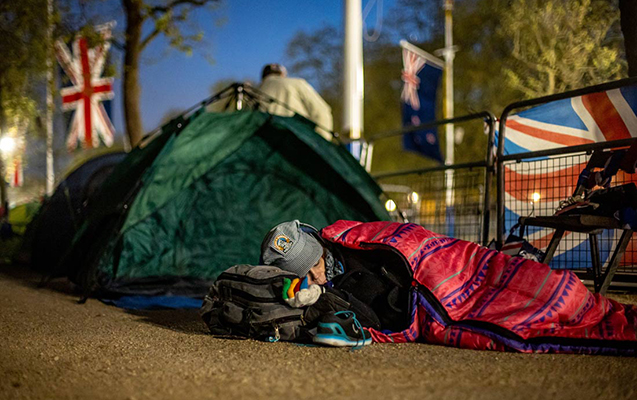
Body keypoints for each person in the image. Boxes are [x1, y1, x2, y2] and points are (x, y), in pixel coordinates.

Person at [261, 219, 637, 355]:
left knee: (557, 292)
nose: (315, 276)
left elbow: (416, 243)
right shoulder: (331, 290)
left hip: (456, 271)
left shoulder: (353, 241)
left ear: (320, 243)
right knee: (538, 317)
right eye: (303, 274)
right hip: (422, 298)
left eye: (313, 263)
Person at [261, 220, 410, 346]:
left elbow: (377, 323)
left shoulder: (360, 271)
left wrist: (325, 295)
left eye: (316, 263)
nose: (317, 276)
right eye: (305, 275)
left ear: (323, 250)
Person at [258, 63, 334, 141]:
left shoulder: (255, 92)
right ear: (283, 74)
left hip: (265, 142)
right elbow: (322, 112)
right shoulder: (297, 83)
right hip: (298, 140)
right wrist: (322, 142)